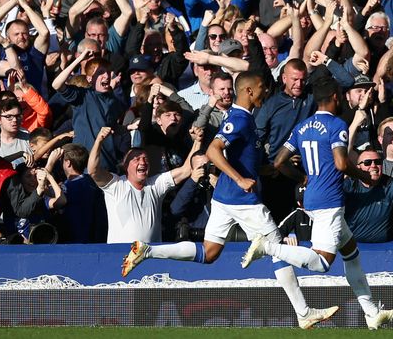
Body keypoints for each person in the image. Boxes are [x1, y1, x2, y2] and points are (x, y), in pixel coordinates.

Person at [119, 73, 337, 329]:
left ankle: (147, 251)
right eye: (261, 87)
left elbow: (242, 159)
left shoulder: (244, 118)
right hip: (242, 200)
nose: (266, 92)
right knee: (277, 250)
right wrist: (240, 179)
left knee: (209, 253)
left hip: (223, 199)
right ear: (248, 90)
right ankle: (304, 312)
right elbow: (213, 150)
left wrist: (269, 171)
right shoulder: (239, 119)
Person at [241, 79, 393, 330]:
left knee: (351, 253)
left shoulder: (302, 127)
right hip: (329, 200)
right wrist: (363, 175)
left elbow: (279, 163)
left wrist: (301, 177)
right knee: (323, 263)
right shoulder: (337, 125)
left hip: (313, 197)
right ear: (335, 96)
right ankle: (268, 248)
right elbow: (341, 163)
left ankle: (372, 313)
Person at [87, 125, 193, 244]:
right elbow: (93, 171)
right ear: (125, 166)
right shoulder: (116, 185)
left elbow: (186, 170)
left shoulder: (156, 185)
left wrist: (198, 141)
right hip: (121, 253)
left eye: (145, 159)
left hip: (152, 253)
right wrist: (99, 140)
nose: (142, 162)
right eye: (136, 159)